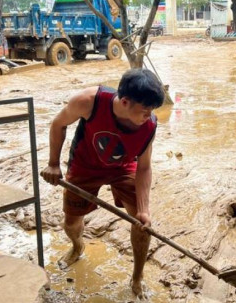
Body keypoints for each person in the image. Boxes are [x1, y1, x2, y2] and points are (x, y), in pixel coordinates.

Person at [40, 69, 164, 298]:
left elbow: (144, 167)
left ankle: (137, 277)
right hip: (84, 165)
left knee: (142, 224)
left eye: (152, 110)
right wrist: (53, 163)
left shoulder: (149, 126)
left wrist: (144, 209)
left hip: (123, 168)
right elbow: (58, 124)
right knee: (71, 223)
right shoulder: (88, 102)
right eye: (145, 110)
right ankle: (78, 246)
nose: (150, 115)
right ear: (125, 102)